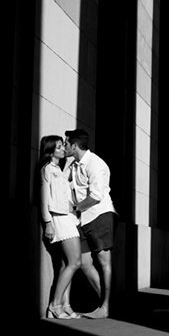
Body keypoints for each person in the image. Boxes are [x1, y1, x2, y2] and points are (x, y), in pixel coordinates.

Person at [65, 129, 117, 318]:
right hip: (83, 218)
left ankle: (105, 307)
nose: (64, 147)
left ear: (75, 145)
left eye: (66, 143)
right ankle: (105, 302)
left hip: (100, 215)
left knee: (104, 261)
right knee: (85, 262)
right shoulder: (73, 165)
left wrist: (76, 208)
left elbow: (96, 196)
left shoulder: (96, 164)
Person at [38, 135, 81, 319]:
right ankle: (55, 305)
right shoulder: (47, 169)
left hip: (69, 218)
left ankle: (66, 305)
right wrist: (47, 222)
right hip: (59, 219)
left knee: (66, 264)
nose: (63, 149)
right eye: (59, 147)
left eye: (63, 146)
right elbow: (45, 198)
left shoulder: (60, 171)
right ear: (50, 150)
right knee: (75, 262)